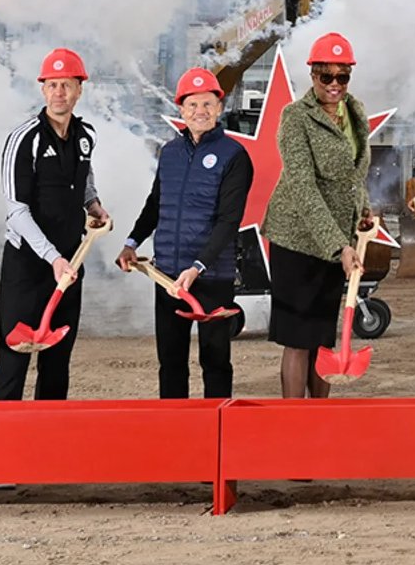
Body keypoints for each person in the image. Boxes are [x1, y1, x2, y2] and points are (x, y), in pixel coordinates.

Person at [118, 66, 252, 399]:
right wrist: (131, 242)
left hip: (212, 277)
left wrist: (198, 266)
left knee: (216, 360)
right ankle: (174, 430)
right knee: (171, 361)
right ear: (181, 110)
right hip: (168, 276)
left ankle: (218, 427)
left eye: (207, 104)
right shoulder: (171, 153)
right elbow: (155, 203)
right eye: (192, 105)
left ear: (219, 108)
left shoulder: (234, 156)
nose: (200, 112)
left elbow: (228, 221)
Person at [0, 48, 111, 402]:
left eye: (67, 85)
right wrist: (52, 257)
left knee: (58, 362)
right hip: (28, 267)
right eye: (53, 85)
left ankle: (49, 436)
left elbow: (84, 178)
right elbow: (16, 210)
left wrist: (94, 205)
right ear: (42, 90)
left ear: (79, 90)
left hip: (70, 265)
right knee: (13, 363)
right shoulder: (23, 139)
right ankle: (2, 439)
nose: (60, 92)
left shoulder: (86, 135)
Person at [260, 33, 374, 399]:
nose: (335, 85)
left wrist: (364, 212)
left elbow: (354, 174)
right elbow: (303, 187)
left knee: (324, 338)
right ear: (312, 76)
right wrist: (339, 245)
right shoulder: (295, 118)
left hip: (336, 244)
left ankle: (318, 418)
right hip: (297, 241)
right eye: (327, 77)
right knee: (298, 339)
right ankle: (292, 424)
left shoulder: (355, 113)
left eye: (343, 77)